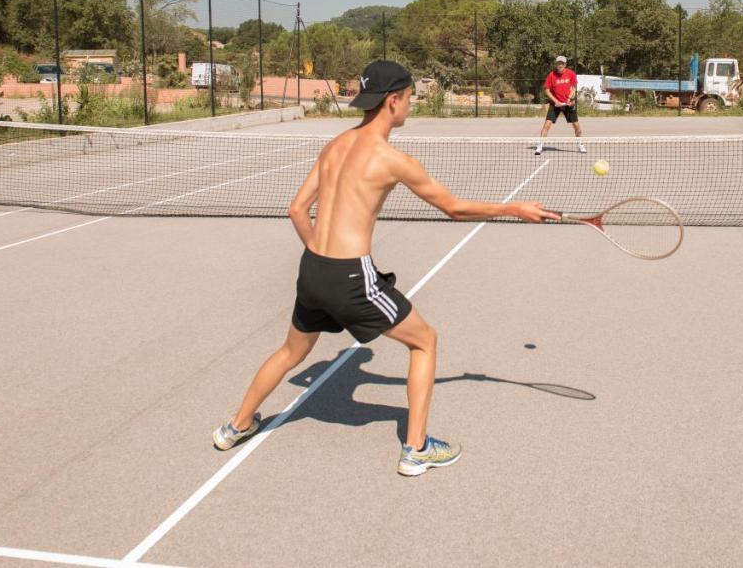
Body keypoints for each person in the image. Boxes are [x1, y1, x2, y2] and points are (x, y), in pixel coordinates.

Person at [213, 60, 557, 476]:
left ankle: (236, 426)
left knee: (291, 352)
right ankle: (416, 449)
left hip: (313, 269)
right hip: (350, 276)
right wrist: (514, 208)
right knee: (425, 341)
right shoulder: (392, 159)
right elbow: (453, 207)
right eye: (410, 97)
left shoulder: (336, 144)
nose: (411, 105)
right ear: (393, 100)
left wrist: (322, 259)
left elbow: (297, 209)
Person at [535, 55, 586, 156]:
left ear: (565, 64)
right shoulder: (551, 75)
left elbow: (573, 88)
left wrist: (569, 99)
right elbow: (547, 90)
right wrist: (555, 101)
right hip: (555, 105)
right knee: (547, 124)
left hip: (568, 104)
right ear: (556, 64)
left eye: (562, 63)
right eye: (559, 63)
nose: (560, 65)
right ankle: (540, 145)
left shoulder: (571, 74)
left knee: (576, 126)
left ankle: (580, 143)